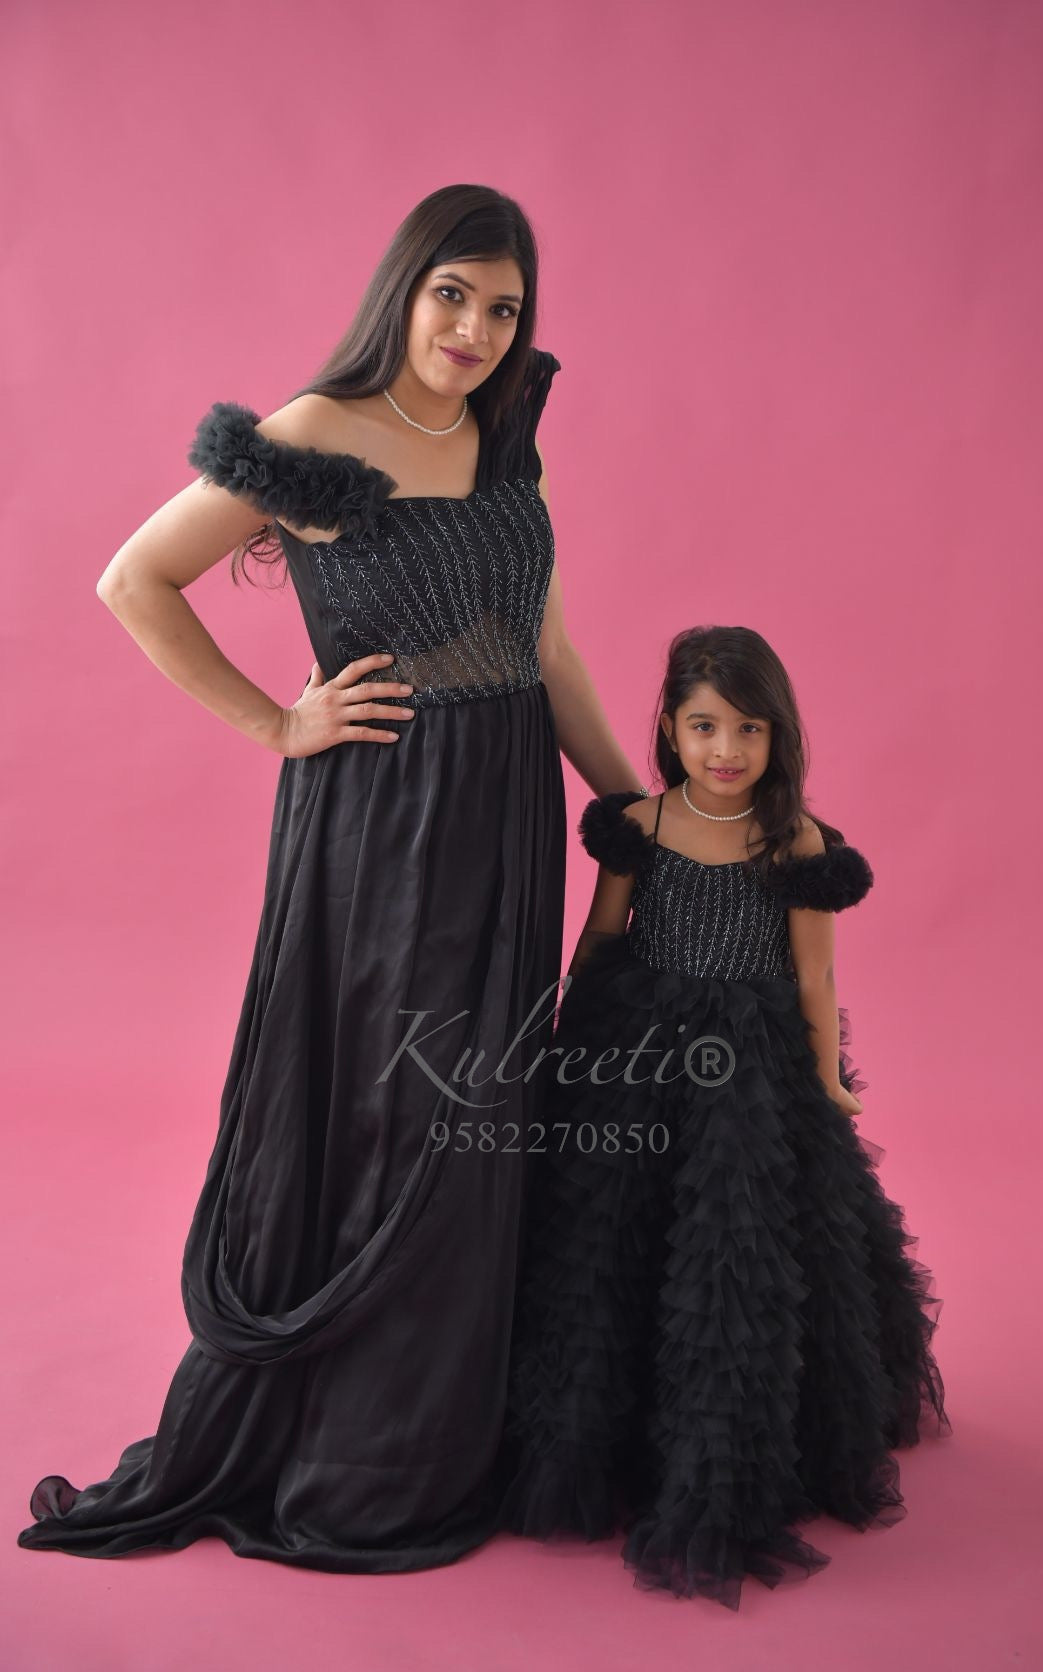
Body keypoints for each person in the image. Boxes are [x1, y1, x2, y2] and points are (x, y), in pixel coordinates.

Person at [17, 184, 647, 1571]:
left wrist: (629, 805)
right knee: (392, 1108)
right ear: (403, 287)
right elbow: (134, 579)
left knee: (481, 1111)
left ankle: (437, 1435)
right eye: (453, 295)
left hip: (508, 813)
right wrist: (279, 724)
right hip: (386, 818)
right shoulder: (308, 436)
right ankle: (357, 1453)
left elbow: (546, 652)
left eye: (503, 308)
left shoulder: (505, 439)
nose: (476, 329)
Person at [496, 623, 952, 1610]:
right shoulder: (640, 824)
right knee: (608, 1245)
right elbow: (599, 938)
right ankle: (601, 1437)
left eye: (748, 728)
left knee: (734, 1251)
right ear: (668, 725)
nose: (725, 749)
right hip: (633, 1044)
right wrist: (568, 1044)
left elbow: (814, 977)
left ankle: (727, 1448)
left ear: (777, 736)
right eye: (704, 725)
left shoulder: (795, 843)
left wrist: (825, 1075)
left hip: (747, 1067)